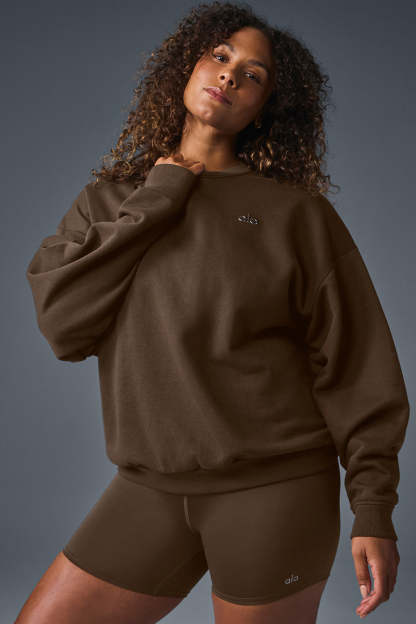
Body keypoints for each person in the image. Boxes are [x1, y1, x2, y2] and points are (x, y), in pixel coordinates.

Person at [18, 2, 409, 623]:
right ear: (187, 66)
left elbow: (358, 367)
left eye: (253, 74)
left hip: (275, 487)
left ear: (266, 106)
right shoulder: (109, 202)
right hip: (149, 485)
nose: (230, 74)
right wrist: (161, 196)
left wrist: (373, 509)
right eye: (219, 56)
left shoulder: (294, 214)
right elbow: (65, 326)